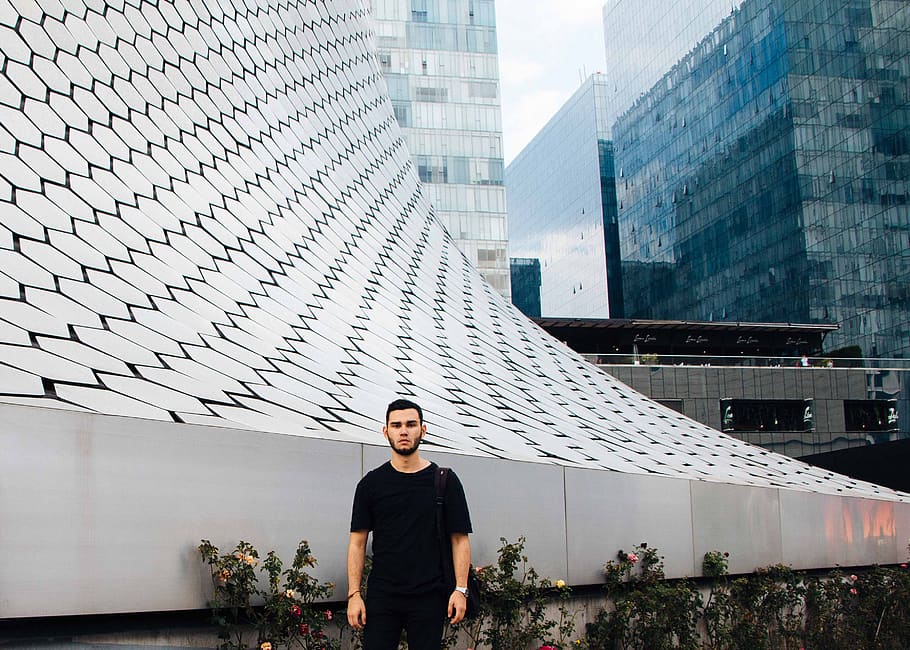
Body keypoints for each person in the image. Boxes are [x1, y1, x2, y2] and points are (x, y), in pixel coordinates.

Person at [346, 398, 472, 650]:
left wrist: (460, 589)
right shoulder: (371, 484)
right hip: (383, 595)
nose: (403, 431)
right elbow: (357, 543)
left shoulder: (445, 481)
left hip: (429, 595)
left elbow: (460, 540)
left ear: (422, 430)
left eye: (411, 424)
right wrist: (354, 594)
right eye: (396, 425)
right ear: (386, 431)